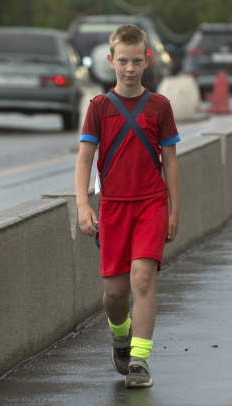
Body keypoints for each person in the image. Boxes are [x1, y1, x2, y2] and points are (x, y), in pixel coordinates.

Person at [74, 25, 181, 387]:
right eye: (123, 61)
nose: (130, 68)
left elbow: (171, 162)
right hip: (113, 209)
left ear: (147, 60)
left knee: (142, 279)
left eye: (137, 61)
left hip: (152, 204)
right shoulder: (99, 108)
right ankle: (120, 334)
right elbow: (84, 160)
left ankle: (140, 360)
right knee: (115, 293)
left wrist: (174, 210)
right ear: (110, 61)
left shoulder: (160, 106)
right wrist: (83, 205)